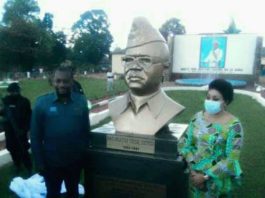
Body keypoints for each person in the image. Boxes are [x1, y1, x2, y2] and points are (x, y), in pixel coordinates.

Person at [109, 17, 184, 135]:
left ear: (164, 68)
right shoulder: (114, 106)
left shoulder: (170, 109)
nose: (134, 67)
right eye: (128, 59)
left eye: (144, 60)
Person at [30, 66, 90, 198]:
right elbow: (35, 136)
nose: (62, 85)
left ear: (72, 82)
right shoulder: (41, 103)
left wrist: (85, 156)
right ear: (53, 81)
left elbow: (85, 131)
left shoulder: (81, 101)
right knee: (53, 193)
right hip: (51, 163)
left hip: (74, 161)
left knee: (73, 192)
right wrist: (39, 162)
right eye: (58, 81)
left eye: (65, 81)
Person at [179, 79, 243, 197]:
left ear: (226, 102)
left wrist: (205, 177)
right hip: (194, 176)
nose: (209, 101)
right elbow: (186, 144)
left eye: (215, 99)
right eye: (208, 97)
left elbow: (231, 159)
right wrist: (193, 171)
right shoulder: (197, 118)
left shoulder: (234, 126)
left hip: (217, 180)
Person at [0, 83, 32, 174]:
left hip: (20, 130)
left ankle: (28, 167)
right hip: (9, 131)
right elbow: (3, 113)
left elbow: (29, 116)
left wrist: (26, 129)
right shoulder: (6, 101)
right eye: (11, 92)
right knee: (12, 148)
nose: (12, 93)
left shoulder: (24, 101)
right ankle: (17, 165)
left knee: (23, 149)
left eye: (14, 91)